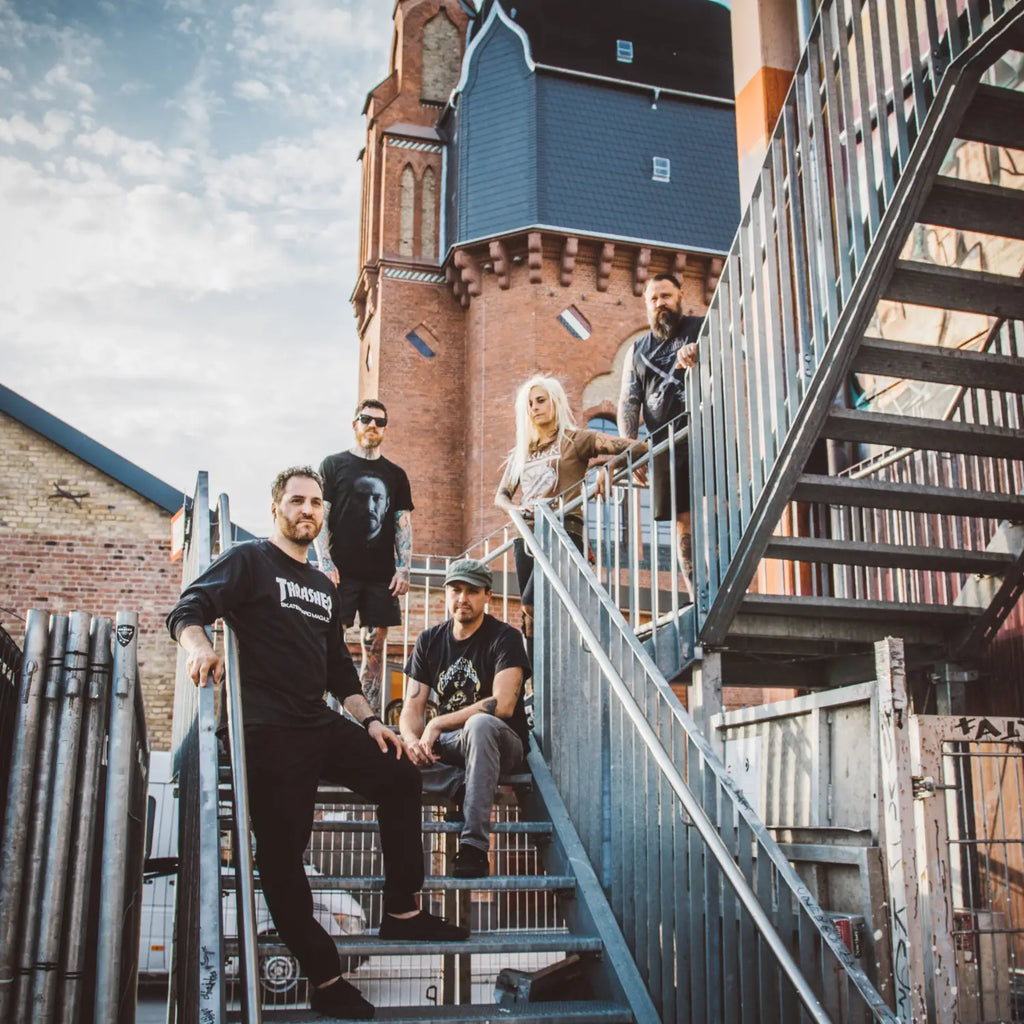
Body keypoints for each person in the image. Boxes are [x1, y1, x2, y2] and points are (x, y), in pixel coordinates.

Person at [166, 467, 465, 1021]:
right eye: (297, 500)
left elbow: (338, 670)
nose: (307, 509)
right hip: (264, 728)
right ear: (276, 506)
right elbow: (187, 610)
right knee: (283, 856)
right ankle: (326, 979)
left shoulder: (323, 586)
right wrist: (200, 648)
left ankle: (401, 910)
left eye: (315, 502)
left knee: (399, 774)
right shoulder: (249, 560)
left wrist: (370, 722)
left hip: (316, 720)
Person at [399, 559, 532, 879]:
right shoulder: (429, 640)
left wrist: (436, 723)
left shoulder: (505, 637)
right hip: (453, 746)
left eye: (472, 591)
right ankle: (462, 786)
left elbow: (503, 705)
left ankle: (473, 847)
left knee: (479, 724)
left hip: (501, 743)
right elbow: (412, 708)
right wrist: (413, 742)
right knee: (390, 746)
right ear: (446, 593)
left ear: (488, 595)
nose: (462, 598)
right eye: (456, 590)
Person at [494, 375, 644, 644]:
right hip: (526, 536)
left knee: (532, 603)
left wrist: (608, 466)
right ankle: (536, 669)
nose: (534, 408)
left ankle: (556, 659)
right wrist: (516, 508)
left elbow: (639, 447)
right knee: (530, 616)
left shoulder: (576, 440)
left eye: (541, 400)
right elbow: (501, 497)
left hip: (563, 531)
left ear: (555, 402)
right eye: (529, 404)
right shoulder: (522, 452)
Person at [316, 399, 413, 715]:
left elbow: (402, 522)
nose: (373, 425)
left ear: (385, 428)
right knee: (330, 640)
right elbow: (321, 516)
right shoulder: (333, 465)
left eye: (379, 421)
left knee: (375, 648)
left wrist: (404, 568)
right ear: (355, 424)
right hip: (340, 573)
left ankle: (364, 717)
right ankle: (324, 709)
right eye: (366, 419)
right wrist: (325, 562)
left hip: (381, 575)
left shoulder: (395, 474)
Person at [617, 273, 703, 599]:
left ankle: (727, 585)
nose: (660, 304)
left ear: (680, 295)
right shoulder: (638, 350)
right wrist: (632, 449)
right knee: (683, 527)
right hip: (666, 446)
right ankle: (697, 596)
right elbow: (629, 401)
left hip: (705, 433)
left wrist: (702, 352)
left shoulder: (701, 328)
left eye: (666, 296)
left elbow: (732, 355)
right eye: (653, 299)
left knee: (716, 513)